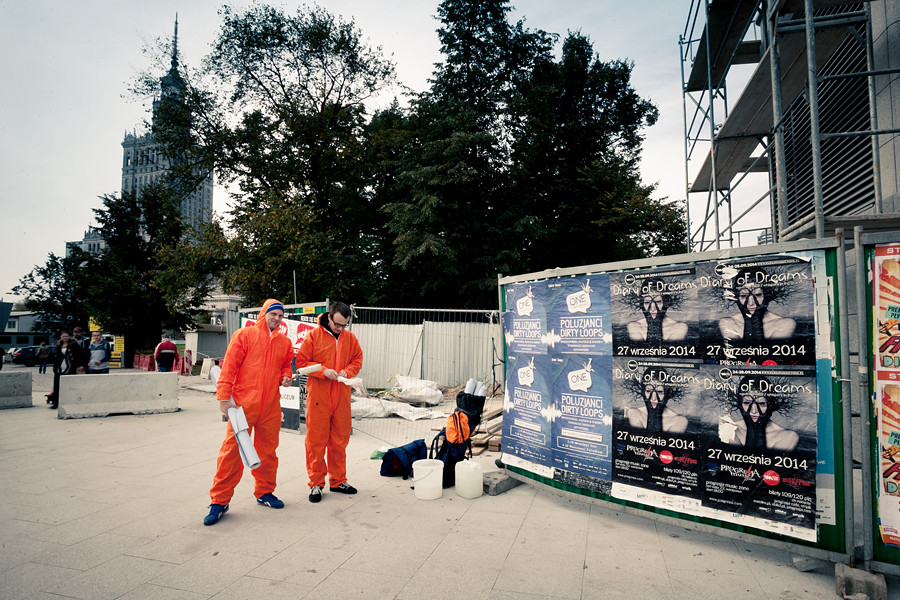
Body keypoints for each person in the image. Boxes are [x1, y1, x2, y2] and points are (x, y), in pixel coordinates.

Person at [204, 299, 295, 526]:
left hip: (270, 407)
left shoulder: (284, 342)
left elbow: (286, 365)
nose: (276, 319)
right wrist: (224, 398)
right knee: (231, 453)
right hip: (242, 406)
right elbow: (229, 367)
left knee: (268, 452)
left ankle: (264, 492)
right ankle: (219, 501)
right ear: (263, 314)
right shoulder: (245, 336)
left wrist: (287, 376)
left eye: (280, 316)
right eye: (273, 314)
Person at [296, 302, 364, 503]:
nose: (340, 328)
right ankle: (316, 483)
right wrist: (323, 371)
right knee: (316, 441)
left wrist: (348, 371)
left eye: (344, 325)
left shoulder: (350, 338)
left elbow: (357, 360)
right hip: (318, 396)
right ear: (329, 317)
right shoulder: (313, 336)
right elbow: (301, 363)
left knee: (339, 440)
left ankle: (338, 480)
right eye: (337, 324)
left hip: (341, 396)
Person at [722, 375, 799, 451]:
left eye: (761, 403)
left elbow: (763, 462)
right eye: (747, 402)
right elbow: (740, 461)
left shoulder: (788, 436)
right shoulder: (730, 430)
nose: (754, 411)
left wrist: (759, 429)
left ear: (770, 404)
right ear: (740, 404)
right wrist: (751, 429)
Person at [718, 267, 796, 342]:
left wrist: (756, 320)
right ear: (737, 297)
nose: (751, 303)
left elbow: (767, 354)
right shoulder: (728, 323)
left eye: (758, 295)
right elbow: (740, 353)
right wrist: (748, 320)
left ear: (766, 295)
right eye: (743, 296)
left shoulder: (785, 324)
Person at [626, 367, 688, 434]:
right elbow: (641, 441)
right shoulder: (634, 413)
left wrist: (657, 414)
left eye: (660, 392)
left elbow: (659, 443)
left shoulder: (679, 421)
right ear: (643, 392)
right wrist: (651, 413)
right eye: (648, 391)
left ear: (667, 392)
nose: (653, 398)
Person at [627, 278, 687, 343]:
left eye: (658, 302)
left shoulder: (679, 327)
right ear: (642, 303)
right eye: (647, 302)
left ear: (665, 302)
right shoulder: (634, 326)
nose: (652, 309)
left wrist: (657, 324)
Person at [47, 331, 79, 409]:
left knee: (69, 385)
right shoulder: (59, 345)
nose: (65, 338)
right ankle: (56, 402)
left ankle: (69, 402)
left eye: (66, 336)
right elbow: (56, 356)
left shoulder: (73, 344)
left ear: (69, 337)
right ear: (61, 337)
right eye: (63, 336)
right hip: (60, 366)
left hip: (70, 366)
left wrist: (78, 365)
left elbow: (78, 355)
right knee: (57, 385)